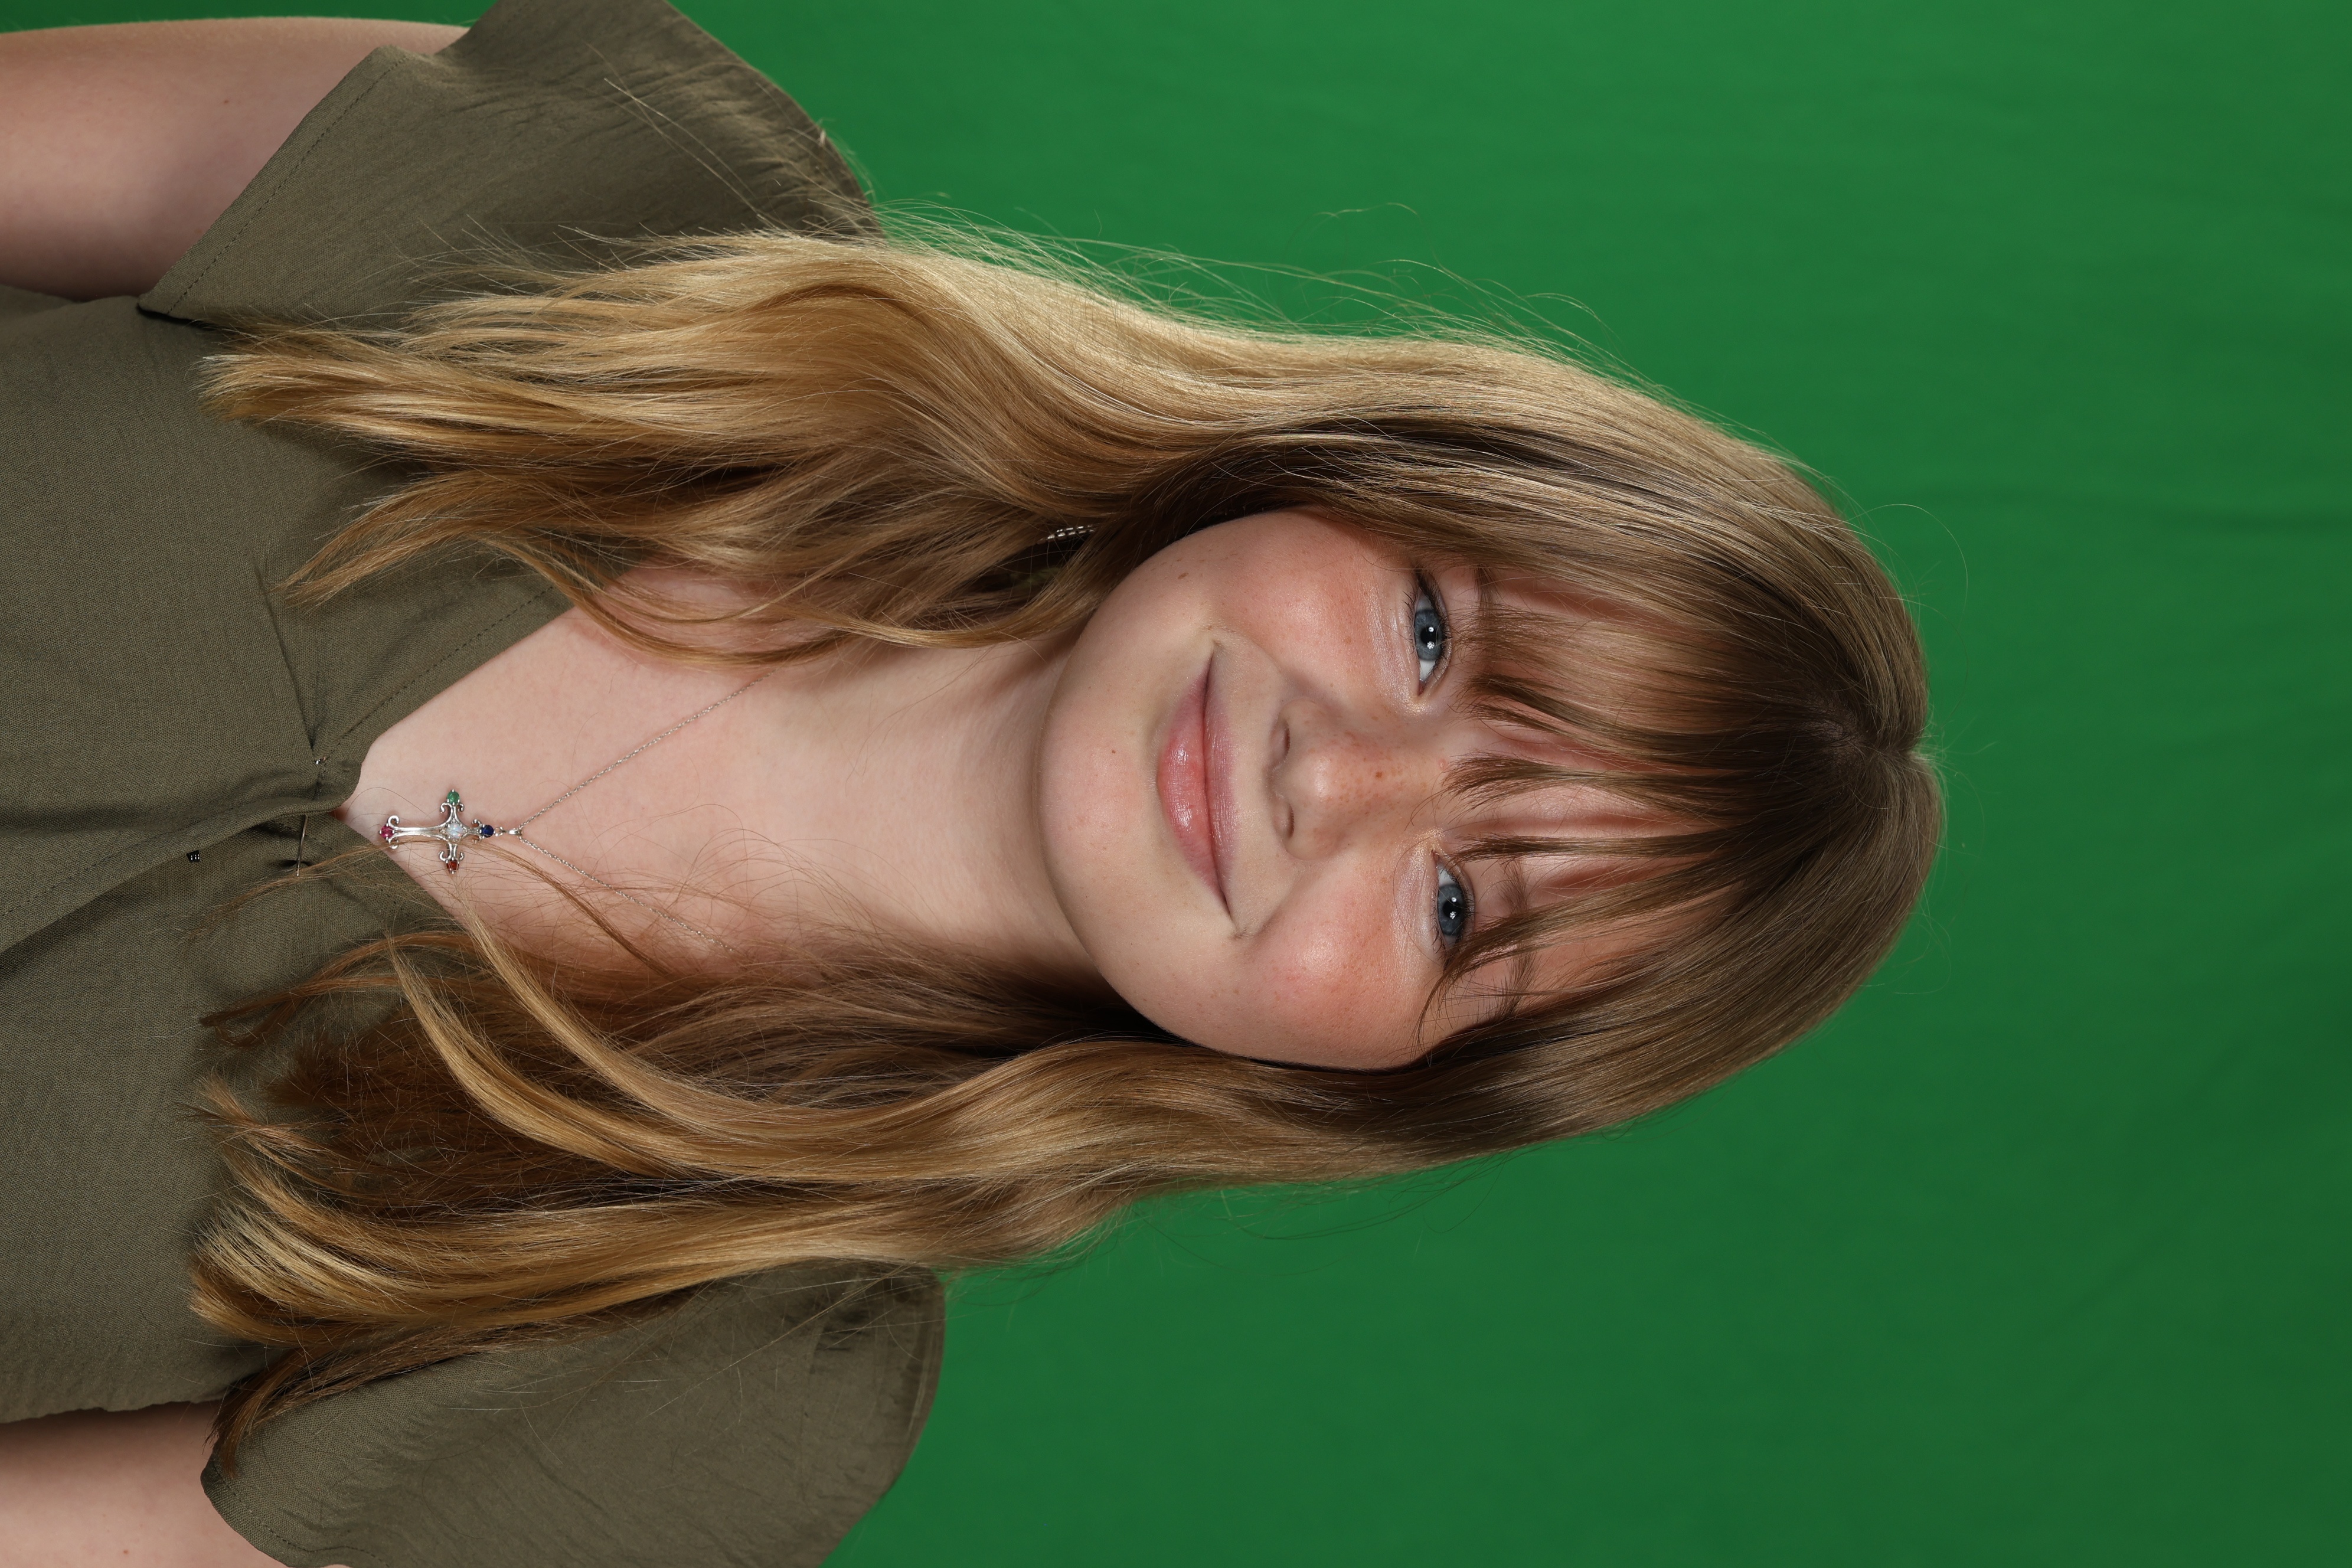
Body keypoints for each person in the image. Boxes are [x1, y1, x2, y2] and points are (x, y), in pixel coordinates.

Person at [0, 0, 1941, 1563]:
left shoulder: (735, 1387)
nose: (1331, 781)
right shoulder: (643, 203)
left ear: (1397, 1080)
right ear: (1357, 471)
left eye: (1456, 906)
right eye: (1433, 638)